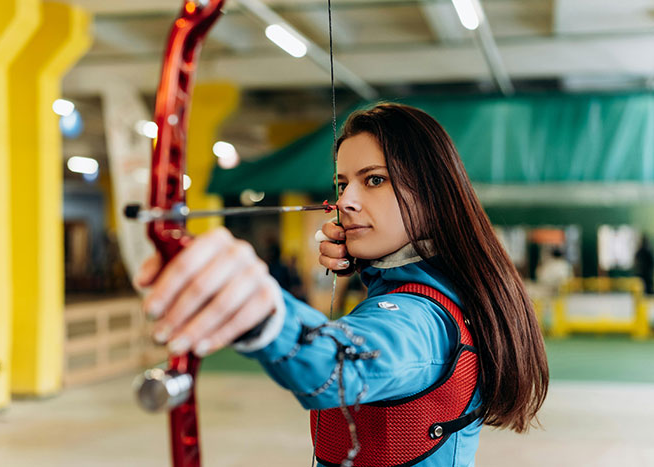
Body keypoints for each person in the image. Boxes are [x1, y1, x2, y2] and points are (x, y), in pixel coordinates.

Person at [135, 103, 549, 466]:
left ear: (431, 194)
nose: (346, 201)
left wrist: (263, 310)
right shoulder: (444, 287)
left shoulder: (422, 319)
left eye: (374, 180)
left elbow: (341, 361)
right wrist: (370, 266)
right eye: (341, 184)